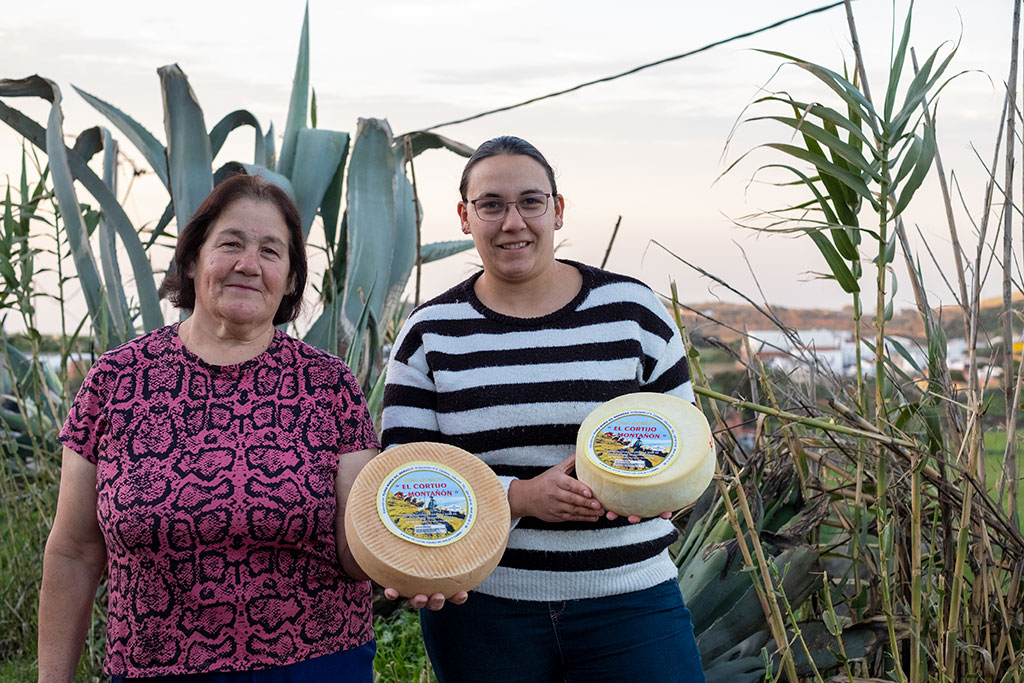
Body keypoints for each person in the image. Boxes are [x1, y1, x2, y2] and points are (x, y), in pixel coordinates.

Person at [380, 136, 706, 682]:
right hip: (482, 609)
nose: (514, 222)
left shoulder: (633, 313)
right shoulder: (429, 334)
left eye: (531, 202)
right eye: (491, 205)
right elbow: (407, 477)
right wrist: (520, 497)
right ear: (465, 216)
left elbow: (685, 441)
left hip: (630, 600)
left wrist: (658, 491)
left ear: (557, 210)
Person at [39, 173, 383, 682]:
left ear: (290, 279)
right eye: (231, 244)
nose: (248, 264)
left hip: (313, 664)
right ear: (194, 257)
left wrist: (416, 559)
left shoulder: (329, 386)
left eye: (271, 251)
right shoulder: (116, 380)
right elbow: (74, 551)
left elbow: (357, 551)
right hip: (153, 666)